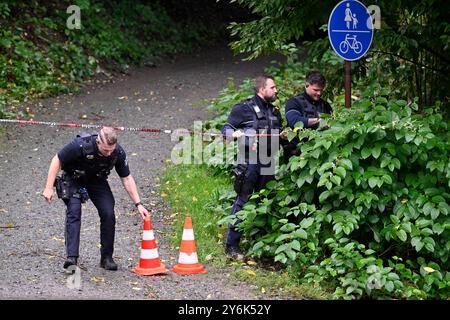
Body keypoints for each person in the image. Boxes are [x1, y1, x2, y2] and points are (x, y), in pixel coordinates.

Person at [43, 127, 149, 271]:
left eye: (111, 150)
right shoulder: (80, 145)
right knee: (74, 210)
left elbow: (127, 178)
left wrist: (139, 204)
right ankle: (72, 258)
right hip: (74, 179)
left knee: (108, 213)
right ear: (98, 142)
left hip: (97, 181)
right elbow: (57, 159)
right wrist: (49, 188)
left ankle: (106, 258)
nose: (109, 153)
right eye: (106, 150)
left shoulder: (118, 152)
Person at [221, 74, 287, 259]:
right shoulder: (244, 108)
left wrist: (283, 138)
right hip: (249, 163)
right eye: (272, 87)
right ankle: (232, 245)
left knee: (265, 201)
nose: (276, 90)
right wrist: (235, 135)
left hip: (269, 163)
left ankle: (262, 245)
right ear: (262, 89)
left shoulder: (275, 112)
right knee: (243, 201)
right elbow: (225, 130)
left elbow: (280, 140)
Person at [283, 71, 333, 160]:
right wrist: (318, 121)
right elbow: (294, 121)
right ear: (306, 85)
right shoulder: (294, 102)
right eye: (316, 90)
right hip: (297, 155)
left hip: (320, 153)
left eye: (321, 90)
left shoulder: (325, 105)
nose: (319, 93)